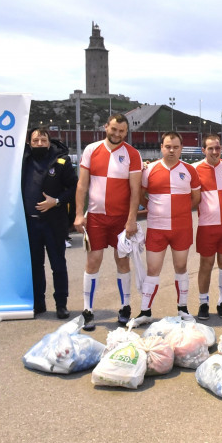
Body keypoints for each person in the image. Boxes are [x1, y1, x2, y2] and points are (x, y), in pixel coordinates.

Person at [74, 113, 142, 330]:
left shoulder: (132, 154)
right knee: (93, 261)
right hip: (96, 217)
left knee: (122, 262)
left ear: (126, 132)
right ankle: (87, 310)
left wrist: (131, 220)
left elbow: (135, 191)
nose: (117, 134)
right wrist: (78, 214)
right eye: (114, 129)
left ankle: (125, 307)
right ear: (106, 127)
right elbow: (82, 186)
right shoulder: (91, 150)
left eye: (122, 131)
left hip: (121, 220)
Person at [135, 132, 201, 322]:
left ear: (181, 148)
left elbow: (196, 198)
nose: (171, 150)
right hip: (157, 228)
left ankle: (183, 309)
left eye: (175, 147)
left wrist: (179, 211)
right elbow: (141, 195)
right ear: (161, 147)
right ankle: (145, 311)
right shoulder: (150, 170)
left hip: (181, 228)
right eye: (168, 146)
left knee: (181, 267)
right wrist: (151, 207)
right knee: (153, 269)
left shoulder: (189, 170)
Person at [21, 127, 77, 320]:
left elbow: (74, 187)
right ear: (29, 142)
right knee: (35, 265)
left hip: (54, 223)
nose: (39, 144)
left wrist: (57, 201)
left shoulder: (61, 161)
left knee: (58, 265)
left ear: (49, 142)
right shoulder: (22, 161)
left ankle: (61, 304)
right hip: (30, 223)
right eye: (35, 140)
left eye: (43, 140)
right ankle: (39, 303)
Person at [193, 134, 222, 320]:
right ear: (203, 150)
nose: (214, 151)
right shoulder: (194, 169)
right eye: (210, 148)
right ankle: (203, 303)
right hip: (207, 226)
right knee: (206, 265)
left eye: (217, 148)